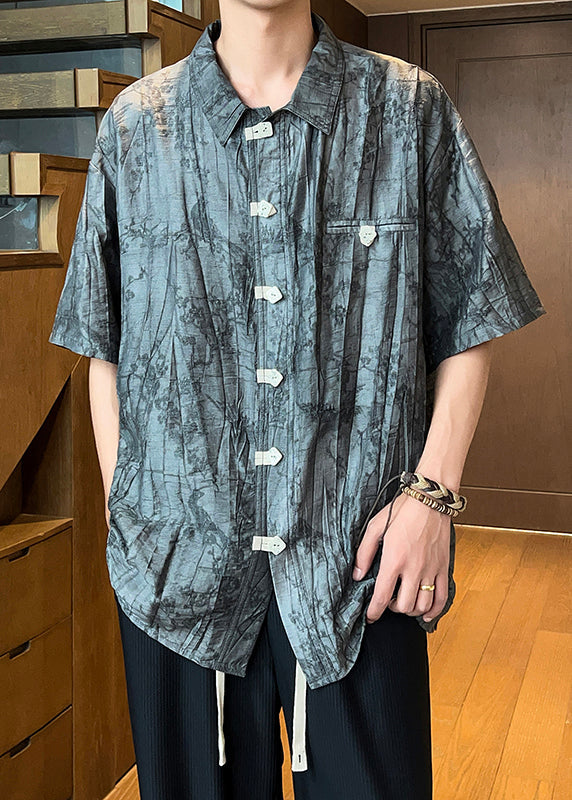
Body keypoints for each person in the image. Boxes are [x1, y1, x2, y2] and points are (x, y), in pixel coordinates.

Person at [48, 1, 547, 798]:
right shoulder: (136, 128)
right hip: (179, 569)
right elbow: (101, 340)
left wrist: (432, 499)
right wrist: (129, 507)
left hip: (361, 565)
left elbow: (470, 317)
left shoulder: (406, 110)